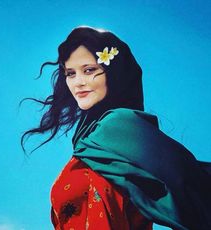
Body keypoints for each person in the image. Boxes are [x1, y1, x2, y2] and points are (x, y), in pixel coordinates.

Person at [21, 26, 211, 230]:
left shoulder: (117, 127)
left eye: (89, 70)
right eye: (71, 73)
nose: (78, 83)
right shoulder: (87, 142)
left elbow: (188, 179)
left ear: (113, 72)